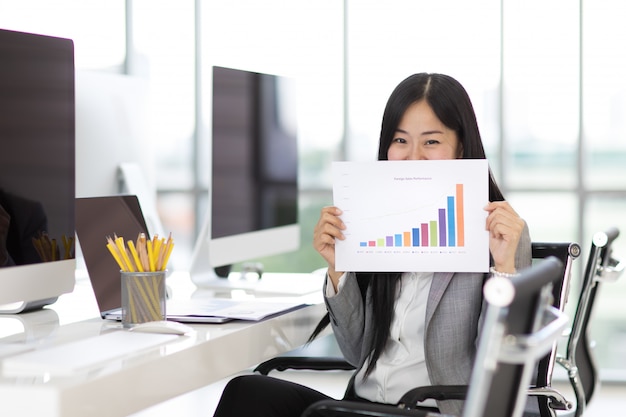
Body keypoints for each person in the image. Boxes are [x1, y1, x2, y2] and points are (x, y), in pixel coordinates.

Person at [212, 73, 531, 417]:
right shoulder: (376, 220)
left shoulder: (498, 232)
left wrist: (504, 270)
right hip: (363, 405)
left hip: (432, 410)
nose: (412, 157)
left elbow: (499, 365)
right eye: (400, 141)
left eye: (431, 142)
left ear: (461, 147)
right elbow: (354, 352)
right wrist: (339, 268)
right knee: (247, 392)